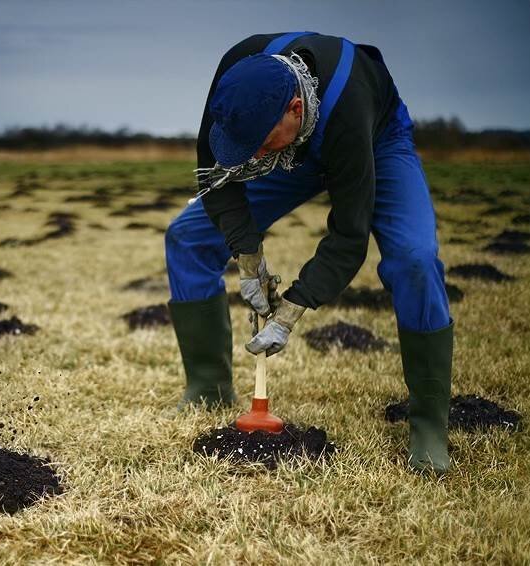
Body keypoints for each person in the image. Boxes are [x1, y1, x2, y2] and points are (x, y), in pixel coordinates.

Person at [165, 32, 453, 474]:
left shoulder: (348, 106)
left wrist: (291, 310)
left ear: (295, 109)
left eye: (257, 145)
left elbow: (349, 236)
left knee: (413, 258)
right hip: (289, 151)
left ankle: (429, 425)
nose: (251, 157)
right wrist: (248, 258)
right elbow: (216, 176)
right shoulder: (238, 78)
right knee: (187, 236)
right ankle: (208, 388)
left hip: (373, 142)